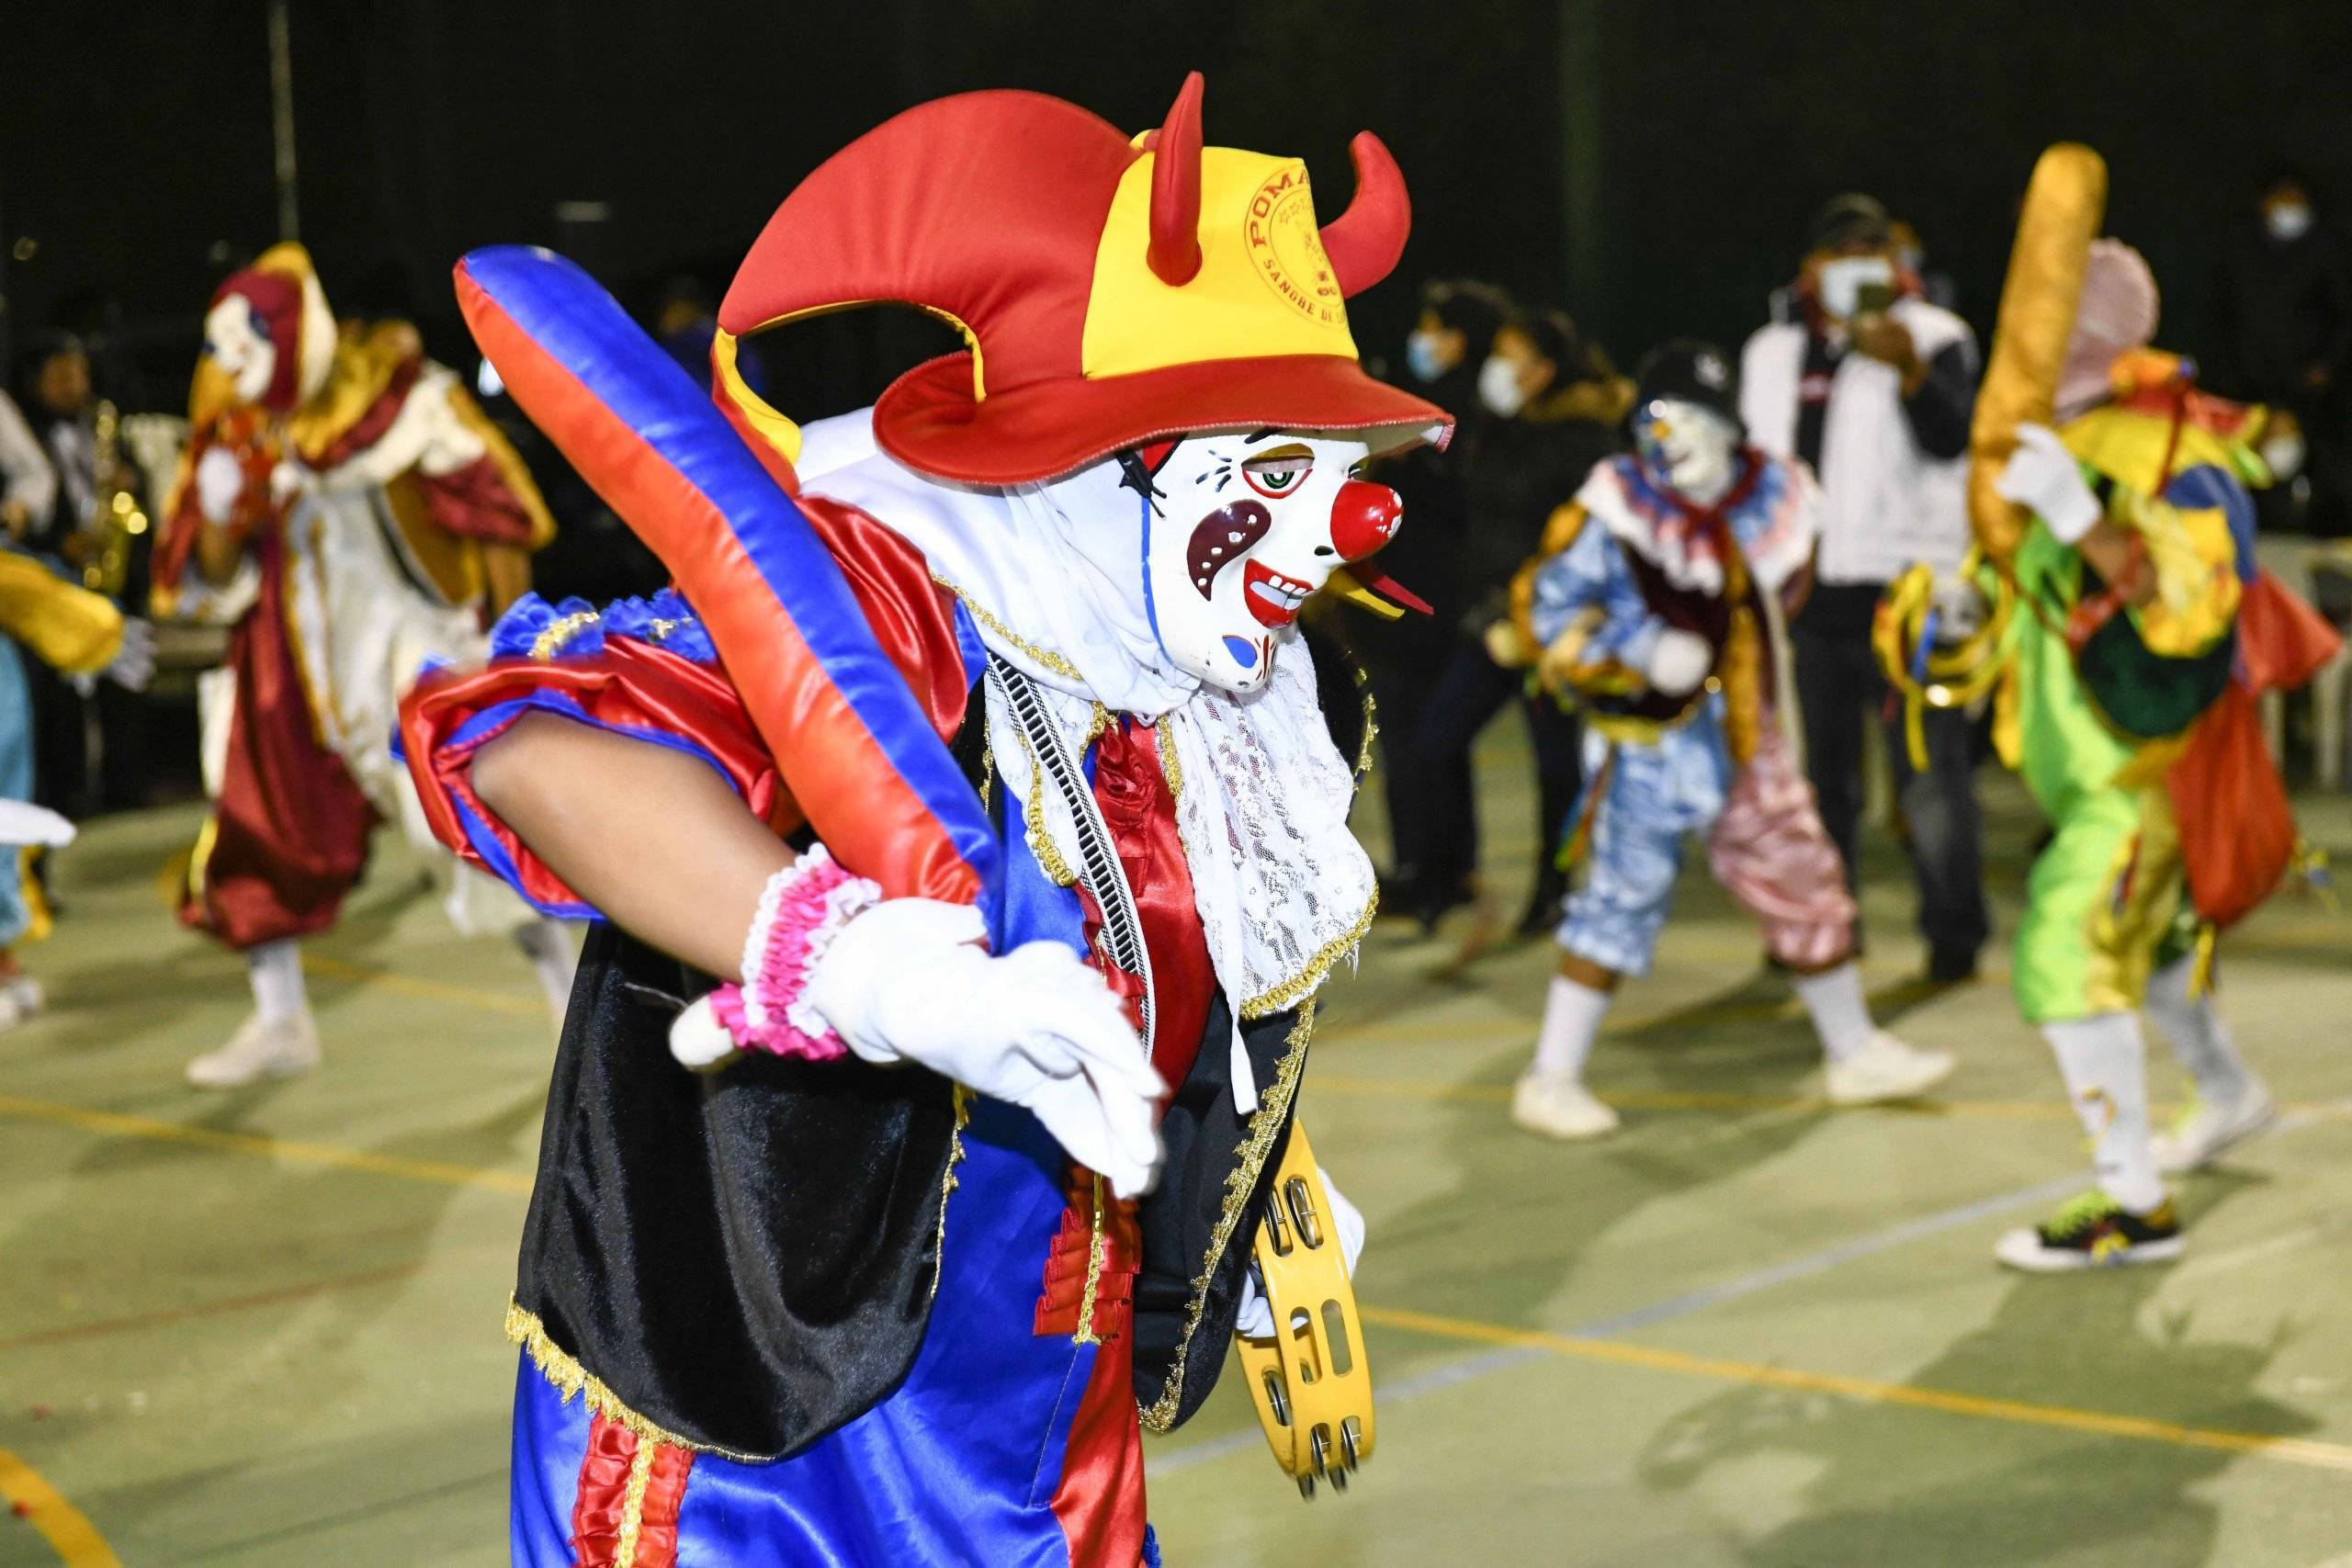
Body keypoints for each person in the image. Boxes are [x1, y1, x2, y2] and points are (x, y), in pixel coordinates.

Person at [397, 76, 1433, 1562]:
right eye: (1272, 470)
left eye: (1343, 472)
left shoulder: (1234, 680)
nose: (1341, 527)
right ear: (1091, 461)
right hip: (772, 1434)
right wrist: (859, 965)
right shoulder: (900, 608)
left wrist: (1262, 1193)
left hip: (1049, 1418)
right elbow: (532, 756)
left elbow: (1172, 947)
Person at [152, 243, 577, 1087]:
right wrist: (224, 510)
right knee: (249, 815)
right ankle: (281, 1019)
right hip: (293, 663)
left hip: (405, 648)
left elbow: (500, 517)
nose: (232, 362)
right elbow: (206, 579)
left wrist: (510, 646)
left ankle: (573, 1003)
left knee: (473, 827)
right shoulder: (240, 432)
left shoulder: (404, 400)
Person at [1507, 341, 1954, 1139]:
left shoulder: (1768, 497)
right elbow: (1546, 614)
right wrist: (1635, 650)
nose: (1667, 437)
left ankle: (1853, 1050)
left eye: (1683, 418)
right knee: (1622, 893)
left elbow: (1781, 597)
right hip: (1644, 738)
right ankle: (1551, 1074)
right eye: (1652, 420)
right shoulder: (1612, 507)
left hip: (1745, 724)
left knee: (1800, 866)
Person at [1984, 241, 2290, 1269]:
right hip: (2098, 766)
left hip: (2142, 775)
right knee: (2155, 961)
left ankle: (2131, 1206)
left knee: (2068, 952)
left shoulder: (2164, 447)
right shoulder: (2060, 438)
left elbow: (2195, 613)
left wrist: (2081, 522)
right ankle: (2230, 1094)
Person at [1742, 193, 1989, 983]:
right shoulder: (1771, 351)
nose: (1857, 263)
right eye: (1840, 250)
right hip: (1805, 602)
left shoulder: (1938, 338)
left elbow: (1956, 444)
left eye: (1872, 249)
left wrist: (1908, 369)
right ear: (1810, 268)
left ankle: (1954, 935)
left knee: (1930, 785)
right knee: (1819, 788)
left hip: (1906, 599)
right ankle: (1825, 929)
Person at [1400, 303, 1628, 933]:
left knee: (1555, 763)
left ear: (1544, 370)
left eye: (1512, 356)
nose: (1497, 368)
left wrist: (1554, 613)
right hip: (1489, 626)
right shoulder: (1501, 426)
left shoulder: (1585, 439)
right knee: (1433, 743)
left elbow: (1593, 540)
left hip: (1548, 628)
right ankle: (1455, 874)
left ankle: (1554, 888)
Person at [1368, 277, 1506, 902]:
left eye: (1437, 328)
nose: (1425, 340)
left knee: (1412, 730)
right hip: (1433, 589)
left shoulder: (1455, 413)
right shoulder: (1452, 404)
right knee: (1431, 734)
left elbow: (1455, 490)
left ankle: (1427, 868)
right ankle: (1451, 863)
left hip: (1424, 590)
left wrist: (1406, 455)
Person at [2213, 164, 2352, 536]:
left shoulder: (2327, 253)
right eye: (2282, 199)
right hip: (2251, 386)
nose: (2288, 208)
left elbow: (2343, 317)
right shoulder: (2242, 252)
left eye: (2296, 200)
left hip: (2309, 390)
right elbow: (2225, 317)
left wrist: (2326, 367)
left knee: (2314, 465)